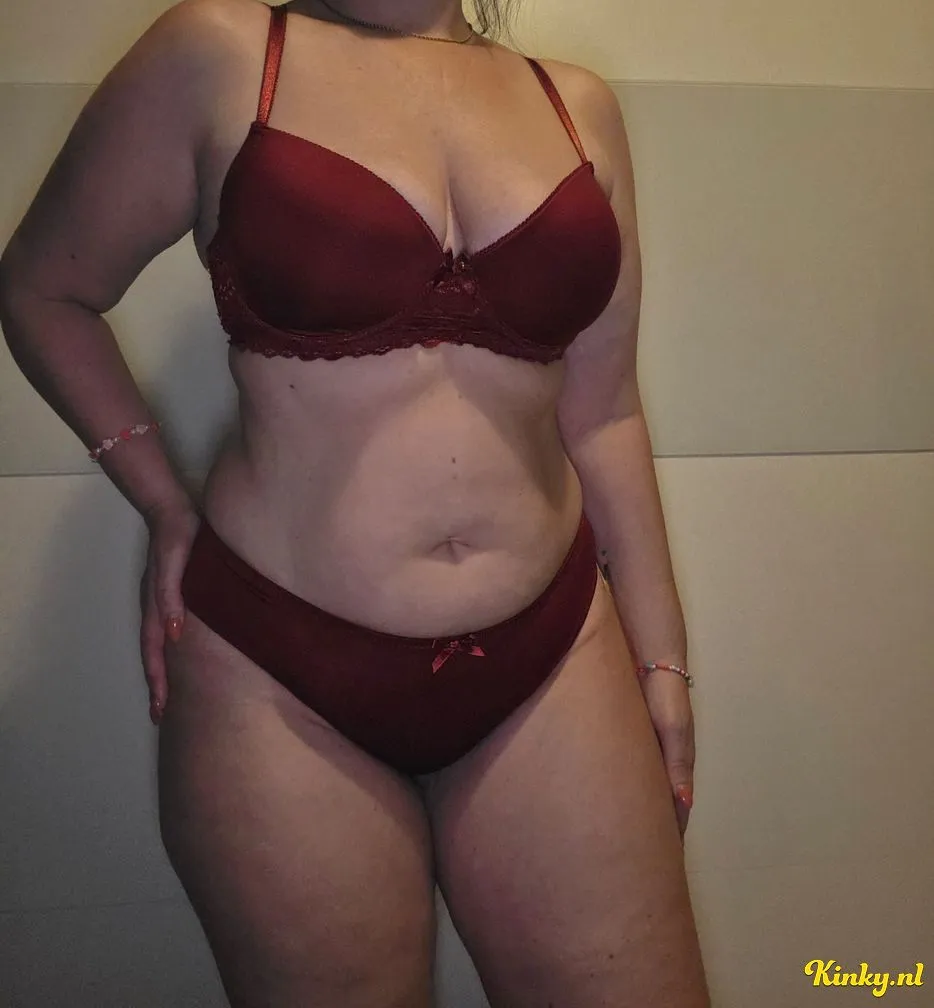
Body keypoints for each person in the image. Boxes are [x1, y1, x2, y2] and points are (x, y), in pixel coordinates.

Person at [0, 0, 711, 1004]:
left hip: (552, 653)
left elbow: (603, 411)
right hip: (278, 670)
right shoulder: (221, 52)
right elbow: (42, 290)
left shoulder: (575, 105)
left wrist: (663, 656)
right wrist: (161, 501)